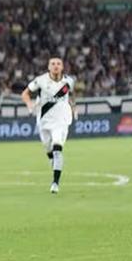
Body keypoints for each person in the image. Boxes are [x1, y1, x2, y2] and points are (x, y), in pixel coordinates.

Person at [22, 57, 76, 194]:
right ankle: (53, 161)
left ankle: (55, 183)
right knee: (49, 149)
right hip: (44, 121)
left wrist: (74, 107)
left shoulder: (69, 81)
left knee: (57, 147)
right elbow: (25, 93)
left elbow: (71, 95)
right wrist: (29, 104)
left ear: (62, 67)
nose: (56, 66)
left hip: (61, 121)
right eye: (53, 64)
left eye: (58, 64)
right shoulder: (40, 80)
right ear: (48, 67)